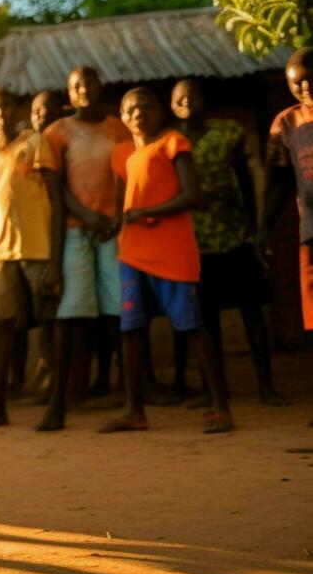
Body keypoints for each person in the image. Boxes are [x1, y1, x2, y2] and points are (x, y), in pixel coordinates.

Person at [104, 88, 233, 434]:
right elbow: (123, 206)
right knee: (131, 330)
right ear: (122, 116)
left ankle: (221, 406)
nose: (137, 113)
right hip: (131, 251)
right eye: (130, 109)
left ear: (159, 111)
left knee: (191, 326)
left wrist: (148, 212)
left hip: (172, 251)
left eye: (145, 106)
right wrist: (114, 223)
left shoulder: (173, 142)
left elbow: (193, 195)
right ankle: (134, 411)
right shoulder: (121, 154)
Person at [171, 78, 284, 407]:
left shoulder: (228, 131)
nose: (188, 100)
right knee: (206, 319)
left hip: (233, 234)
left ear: (204, 99)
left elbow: (246, 182)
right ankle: (214, 389)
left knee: (252, 311)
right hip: (194, 240)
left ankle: (267, 386)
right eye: (180, 98)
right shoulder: (170, 141)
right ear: (173, 106)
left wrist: (255, 228)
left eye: (193, 94)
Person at [34, 67, 131, 430]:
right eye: (76, 85)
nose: (84, 89)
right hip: (76, 233)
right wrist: (87, 216)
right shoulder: (56, 133)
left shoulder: (119, 129)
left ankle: (133, 394)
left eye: (89, 82)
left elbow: (128, 176)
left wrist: (118, 218)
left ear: (100, 85)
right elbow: (55, 192)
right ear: (68, 94)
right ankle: (58, 401)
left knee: (122, 312)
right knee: (70, 316)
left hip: (114, 231)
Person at [0, 87, 63, 430]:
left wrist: (56, 257)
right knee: (2, 326)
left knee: (51, 324)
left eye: (5, 106)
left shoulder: (35, 142)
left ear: (15, 109)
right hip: (3, 252)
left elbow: (56, 198)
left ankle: (57, 405)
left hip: (39, 249)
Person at [260, 48, 313, 428]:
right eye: (297, 82)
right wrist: (262, 226)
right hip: (309, 230)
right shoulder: (285, 123)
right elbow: (277, 182)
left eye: (310, 78)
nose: (306, 86)